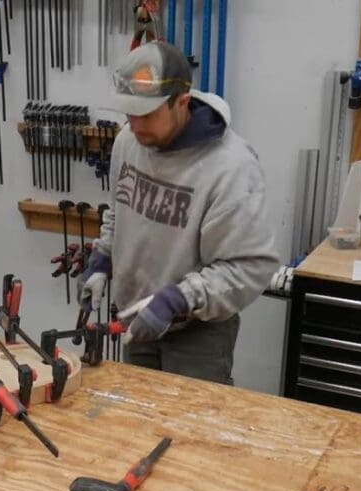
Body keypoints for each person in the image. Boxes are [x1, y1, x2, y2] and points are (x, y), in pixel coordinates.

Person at [78, 41, 279, 385]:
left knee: (190, 432)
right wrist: (102, 258)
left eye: (147, 114)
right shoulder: (130, 140)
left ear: (181, 102)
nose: (136, 125)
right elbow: (120, 208)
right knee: (138, 419)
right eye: (130, 113)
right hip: (135, 315)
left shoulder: (230, 167)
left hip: (197, 334)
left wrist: (180, 299)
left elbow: (251, 266)